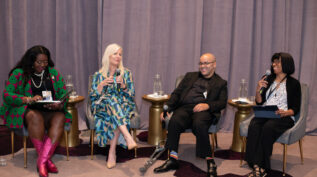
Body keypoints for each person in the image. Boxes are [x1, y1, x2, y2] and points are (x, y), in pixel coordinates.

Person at [0, 45, 72, 177]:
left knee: (60, 117)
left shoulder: (53, 73)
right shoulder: (19, 73)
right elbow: (7, 95)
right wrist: (28, 99)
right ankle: (45, 162)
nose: (43, 65)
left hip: (50, 110)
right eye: (39, 62)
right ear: (31, 60)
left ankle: (42, 161)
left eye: (45, 61)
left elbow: (63, 93)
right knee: (35, 116)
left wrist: (60, 104)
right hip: (28, 111)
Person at [153, 53, 228, 174]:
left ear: (214, 65)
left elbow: (222, 103)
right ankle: (172, 158)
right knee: (175, 121)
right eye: (201, 63)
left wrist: (207, 105)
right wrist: (167, 108)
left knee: (199, 123)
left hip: (203, 110)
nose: (203, 66)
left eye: (206, 63)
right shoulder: (190, 76)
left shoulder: (220, 83)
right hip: (185, 108)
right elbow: (177, 93)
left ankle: (209, 160)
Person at [245, 52, 301, 177]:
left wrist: (285, 112)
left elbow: (296, 108)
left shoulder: (294, 84)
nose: (273, 64)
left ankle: (259, 165)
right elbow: (259, 101)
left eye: (277, 62)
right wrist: (257, 89)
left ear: (286, 64)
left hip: (284, 116)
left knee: (268, 127)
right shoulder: (267, 78)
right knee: (254, 124)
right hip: (266, 112)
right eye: (273, 61)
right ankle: (253, 162)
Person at [89, 43, 137, 169]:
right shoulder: (98, 75)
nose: (118, 56)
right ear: (108, 56)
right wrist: (101, 86)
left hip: (122, 105)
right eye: (115, 53)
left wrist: (124, 86)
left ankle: (112, 152)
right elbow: (93, 97)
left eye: (120, 54)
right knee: (111, 100)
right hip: (102, 105)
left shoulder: (126, 73)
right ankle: (128, 137)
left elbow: (131, 95)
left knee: (114, 107)